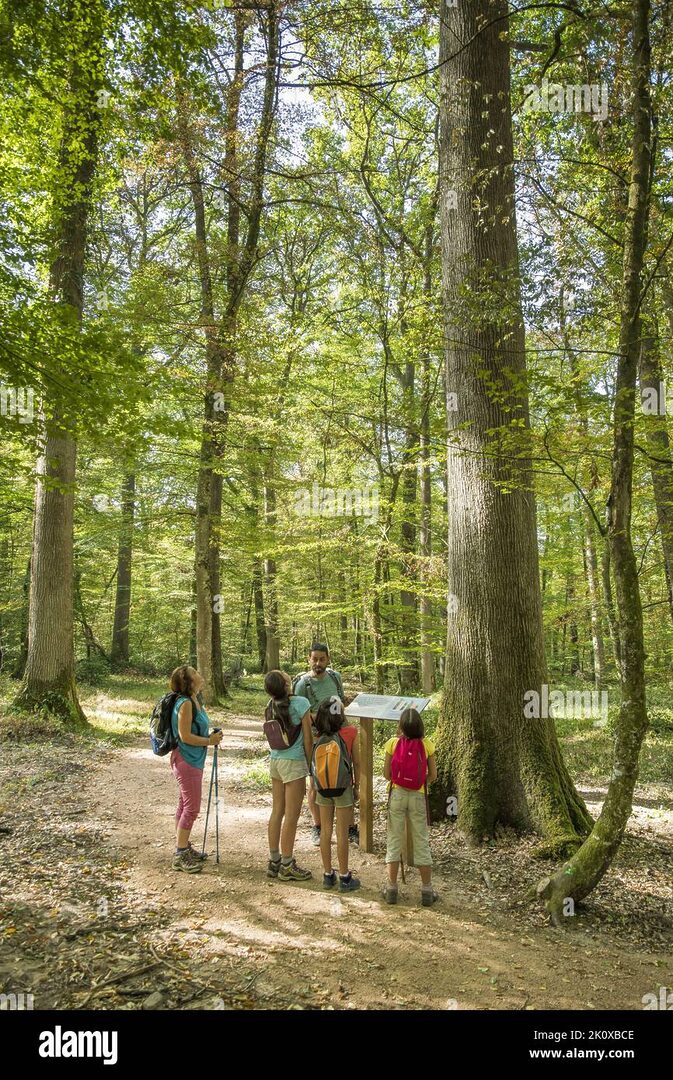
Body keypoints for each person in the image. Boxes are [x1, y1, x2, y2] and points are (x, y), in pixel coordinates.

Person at [293, 643, 358, 846]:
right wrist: (321, 719)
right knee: (316, 783)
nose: (318, 663)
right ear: (309, 659)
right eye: (315, 659)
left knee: (344, 776)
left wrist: (346, 729)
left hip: (340, 736)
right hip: (317, 738)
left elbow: (341, 704)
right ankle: (318, 826)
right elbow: (299, 714)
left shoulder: (334, 677)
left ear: (328, 659)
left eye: (322, 659)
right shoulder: (303, 684)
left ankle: (349, 827)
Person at [170, 665, 223, 874]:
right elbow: (185, 736)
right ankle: (180, 854)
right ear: (189, 682)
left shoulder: (194, 700)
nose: (200, 676)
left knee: (184, 805)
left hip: (192, 759)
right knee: (191, 808)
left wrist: (211, 736)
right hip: (186, 760)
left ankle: (182, 847)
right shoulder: (185, 704)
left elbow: (194, 730)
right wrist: (209, 741)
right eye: (195, 674)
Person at [383, 707, 438, 906]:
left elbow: (386, 775)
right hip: (418, 796)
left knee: (394, 840)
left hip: (396, 794)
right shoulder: (427, 745)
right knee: (421, 841)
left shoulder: (392, 743)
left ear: (401, 726)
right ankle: (426, 889)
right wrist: (419, 781)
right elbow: (433, 775)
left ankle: (391, 887)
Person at [265, 669, 313, 882]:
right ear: (285, 685)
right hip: (293, 762)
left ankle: (274, 860)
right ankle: (287, 864)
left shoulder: (269, 705)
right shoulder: (301, 703)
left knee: (277, 811)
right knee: (292, 815)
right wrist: (312, 766)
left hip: (275, 761)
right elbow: (308, 739)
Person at [311, 698, 361, 892]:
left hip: (323, 788)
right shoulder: (351, 733)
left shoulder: (319, 736)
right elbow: (357, 763)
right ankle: (344, 876)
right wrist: (356, 786)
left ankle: (327, 875)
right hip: (343, 788)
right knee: (341, 832)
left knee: (325, 831)